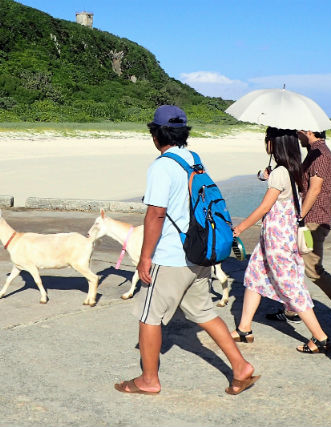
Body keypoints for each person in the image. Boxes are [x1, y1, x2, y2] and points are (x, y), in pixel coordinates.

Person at [114, 105, 259, 396]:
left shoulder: (161, 166)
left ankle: (148, 380)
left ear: (156, 135)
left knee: (149, 317)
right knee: (203, 311)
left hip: (170, 257)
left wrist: (145, 257)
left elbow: (155, 214)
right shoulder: (194, 159)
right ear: (183, 133)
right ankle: (241, 367)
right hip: (199, 251)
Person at [232, 127, 331, 354]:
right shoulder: (294, 170)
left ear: (273, 144)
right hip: (281, 235)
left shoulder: (279, 173)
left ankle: (320, 337)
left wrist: (240, 228)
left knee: (291, 286)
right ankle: (244, 328)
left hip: (277, 239)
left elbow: (265, 207)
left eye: (266, 140)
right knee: (255, 275)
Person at [265, 129, 331, 333]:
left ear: (308, 131)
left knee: (313, 270)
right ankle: (291, 310)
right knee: (294, 263)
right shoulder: (314, 152)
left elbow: (315, 189)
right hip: (311, 219)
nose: (296, 135)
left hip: (314, 221)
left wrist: (300, 216)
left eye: (298, 131)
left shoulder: (320, 155)